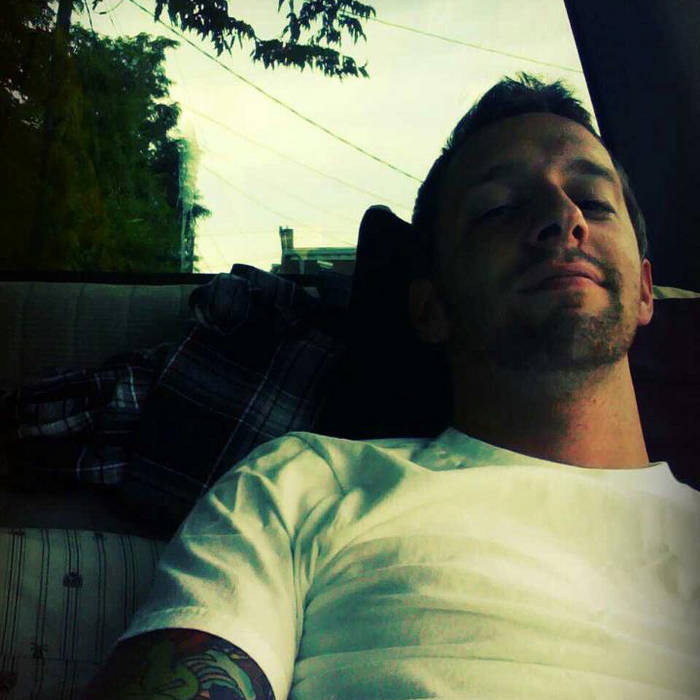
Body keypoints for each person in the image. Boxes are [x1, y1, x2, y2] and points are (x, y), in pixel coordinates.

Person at [82, 74, 700, 700]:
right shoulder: (303, 485)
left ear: (646, 289)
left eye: (594, 200)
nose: (564, 218)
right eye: (498, 209)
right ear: (430, 308)